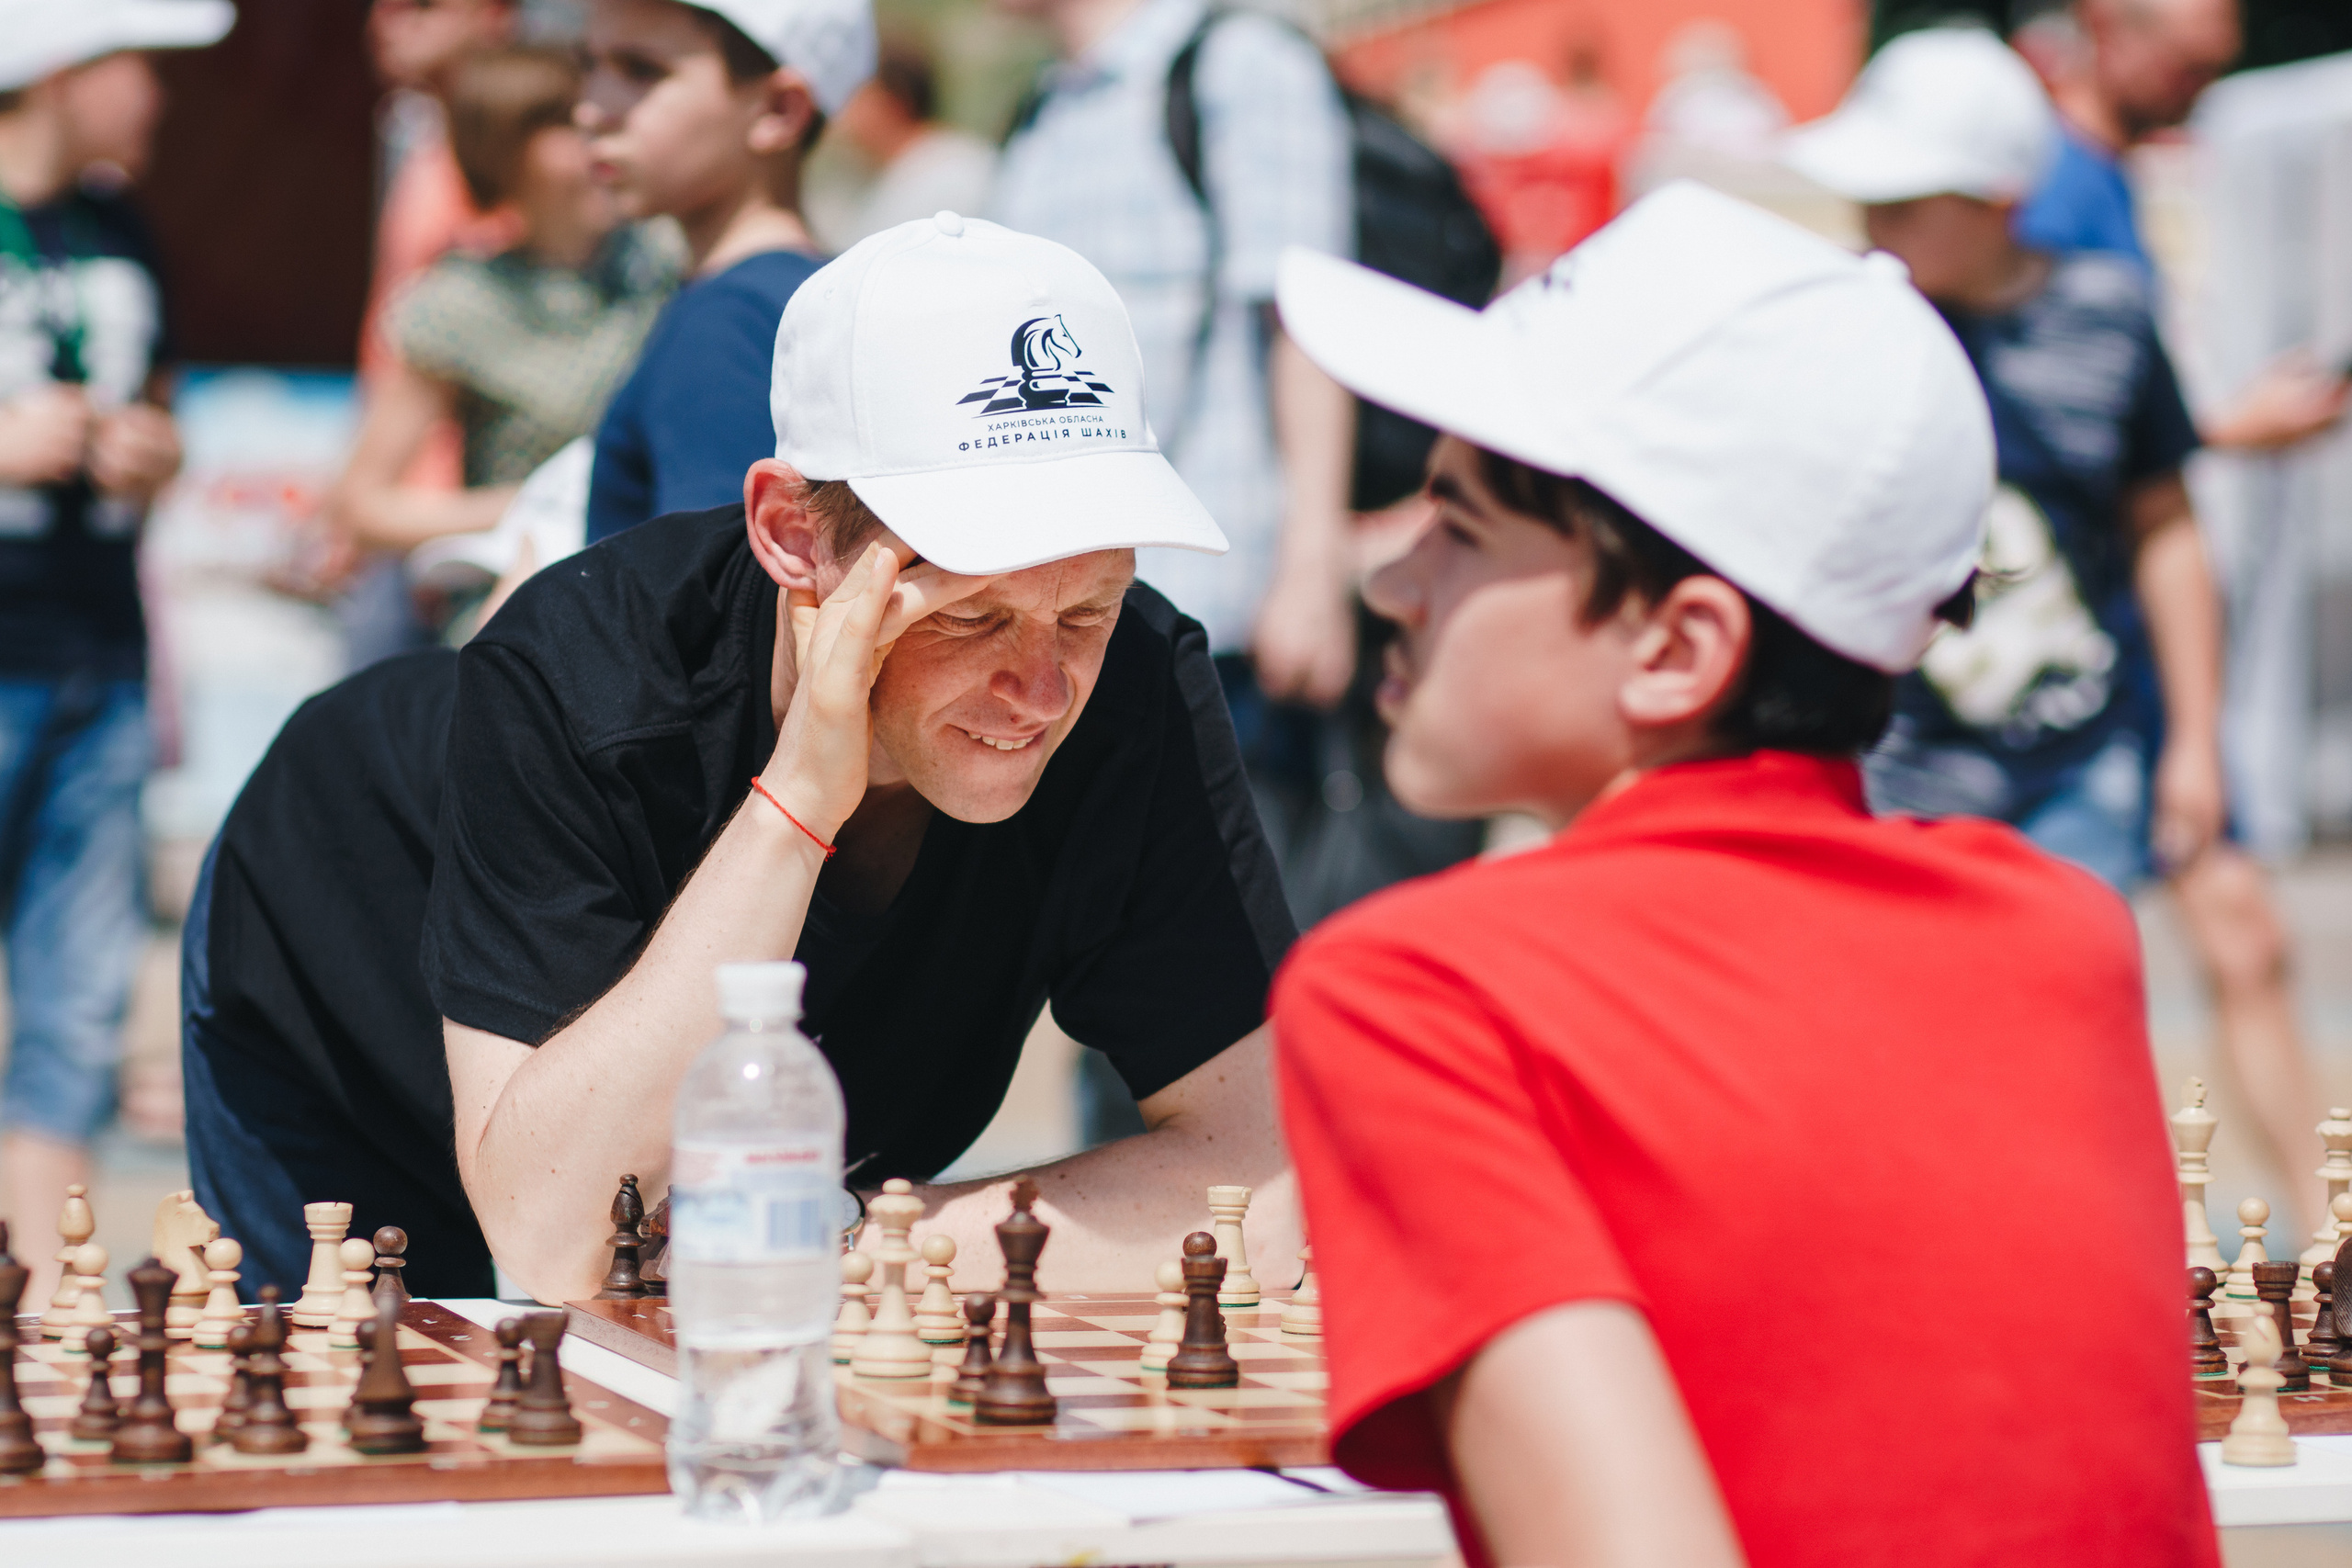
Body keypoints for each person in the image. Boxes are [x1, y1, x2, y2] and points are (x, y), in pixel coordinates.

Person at [1267, 181, 2216, 1567]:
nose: (1393, 580)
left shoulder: (1412, 986)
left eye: (1460, 527)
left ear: (1677, 645)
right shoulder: (2059, 925)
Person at [184, 216, 1299, 1306]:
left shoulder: (1140, 681)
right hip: (335, 968)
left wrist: (835, 1239)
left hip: (732, 1167)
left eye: (1089, 608)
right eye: (969, 615)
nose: (1042, 689)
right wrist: (799, 803)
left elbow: (1270, 1189)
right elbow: (558, 1238)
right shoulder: (575, 670)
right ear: (792, 537)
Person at [1789, 25, 2330, 1244]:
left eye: (1906, 200)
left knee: (2062, 1020)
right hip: (1904, 756)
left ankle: (2065, 1257)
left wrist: (2196, 736)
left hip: (2079, 751)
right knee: (1897, 1027)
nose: (1873, 224)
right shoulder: (1847, 324)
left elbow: (2165, 523)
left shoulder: (2106, 316)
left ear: (1999, 200)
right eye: (1862, 195)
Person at [989, 0, 1360, 836]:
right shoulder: (1046, 108)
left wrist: (1312, 568)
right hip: (1067, 622)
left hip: (1220, 611)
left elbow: (1305, 323)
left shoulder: (1241, 65)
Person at [0, 0, 232, 1312]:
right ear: (60, 67)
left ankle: (47, 1309)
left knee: (77, 999)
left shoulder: (121, 227)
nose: (154, 95)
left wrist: (155, 452)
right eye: (137, 62)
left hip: (101, 650)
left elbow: (161, 409)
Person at [323, 45, 679, 632]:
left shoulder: (664, 262)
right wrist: (529, 505)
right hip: (525, 622)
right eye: (568, 123)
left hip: (657, 610)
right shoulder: (462, 303)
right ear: (505, 154)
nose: (598, 137)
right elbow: (361, 508)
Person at [580, 0, 874, 544]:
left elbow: (705, 603)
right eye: (589, 65)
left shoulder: (725, 321)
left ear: (779, 110)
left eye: (641, 70)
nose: (591, 109)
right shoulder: (823, 296)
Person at [321, 0, 523, 667]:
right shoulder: (417, 132)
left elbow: (485, 354)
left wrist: (418, 506)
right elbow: (393, 348)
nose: (388, 21)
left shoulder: (516, 157)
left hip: (448, 518)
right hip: (395, 502)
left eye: (423, 6)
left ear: (495, 17)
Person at [818, 42, 995, 250]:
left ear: (892, 99)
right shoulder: (871, 181)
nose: (837, 116)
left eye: (848, 96)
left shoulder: (960, 172)